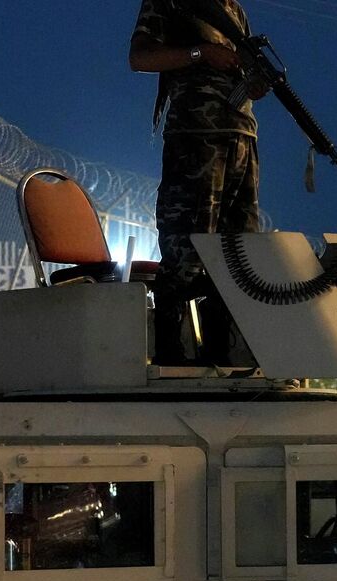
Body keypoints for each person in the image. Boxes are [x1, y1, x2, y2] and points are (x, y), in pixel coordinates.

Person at [129, 0, 264, 366]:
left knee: (237, 254)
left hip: (241, 137)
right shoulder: (172, 2)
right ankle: (171, 357)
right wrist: (200, 52)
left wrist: (253, 80)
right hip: (196, 136)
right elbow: (140, 58)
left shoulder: (235, 10)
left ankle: (220, 355)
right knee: (187, 252)